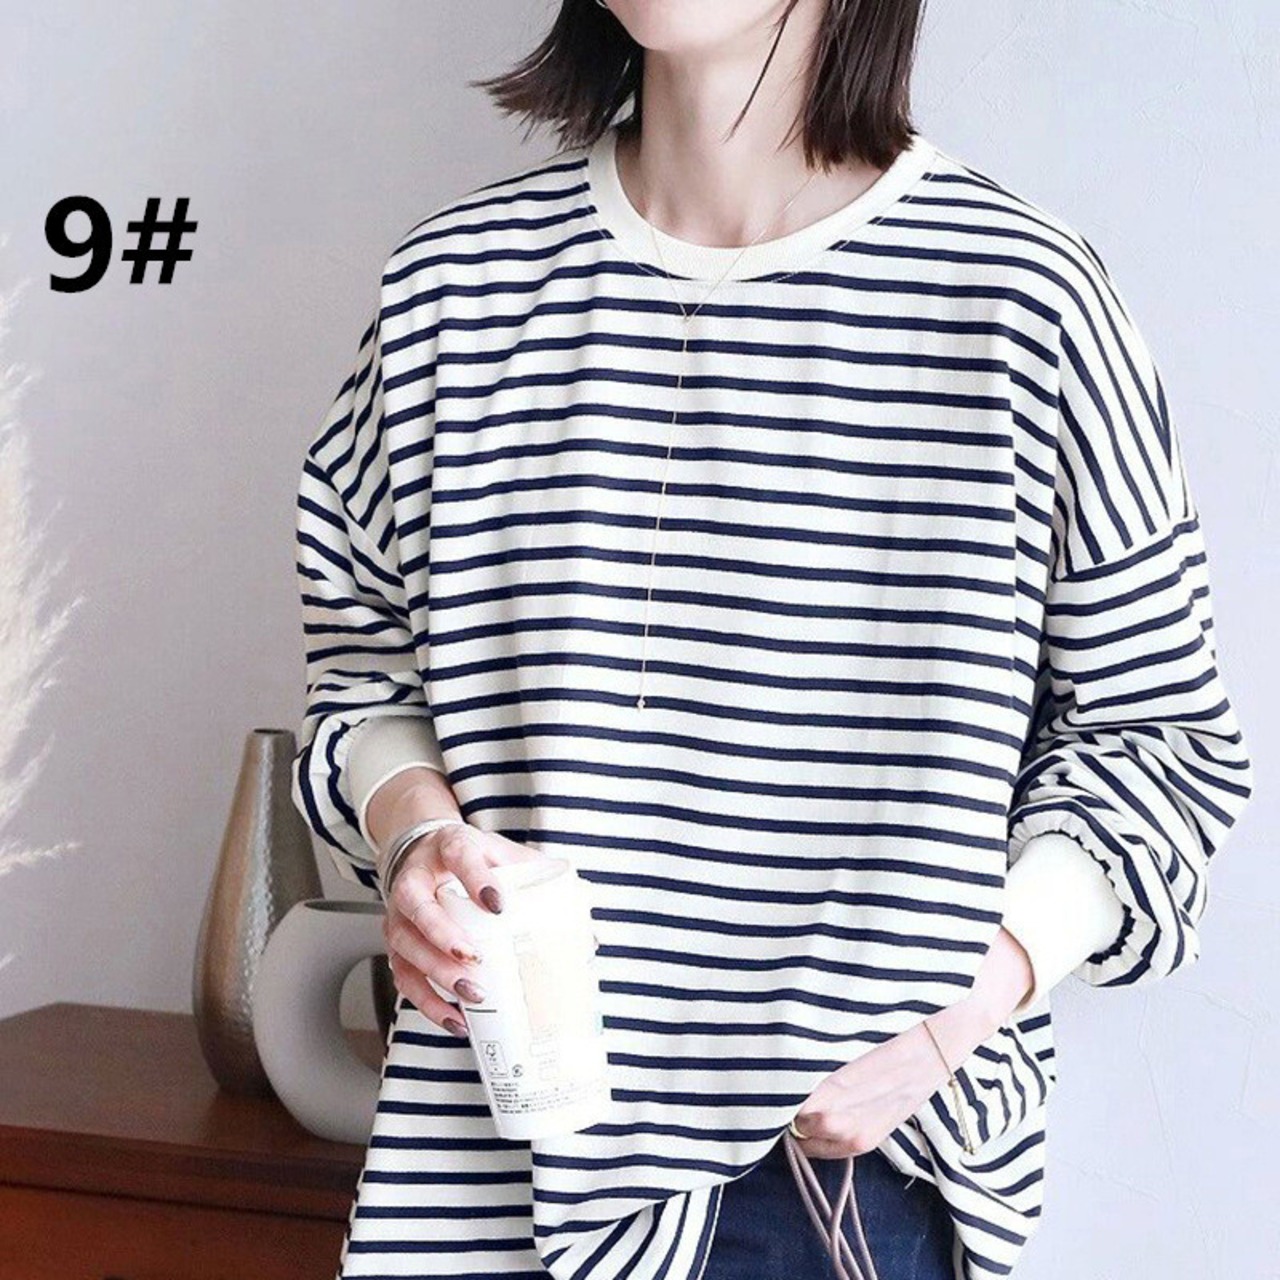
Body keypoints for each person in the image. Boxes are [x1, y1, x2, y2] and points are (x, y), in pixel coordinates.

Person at [289, 2, 1255, 1277]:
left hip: (824, 1178)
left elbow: (1160, 747)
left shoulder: (1018, 301)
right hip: (481, 1164)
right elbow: (362, 671)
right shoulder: (452, 288)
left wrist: (956, 1010)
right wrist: (415, 836)